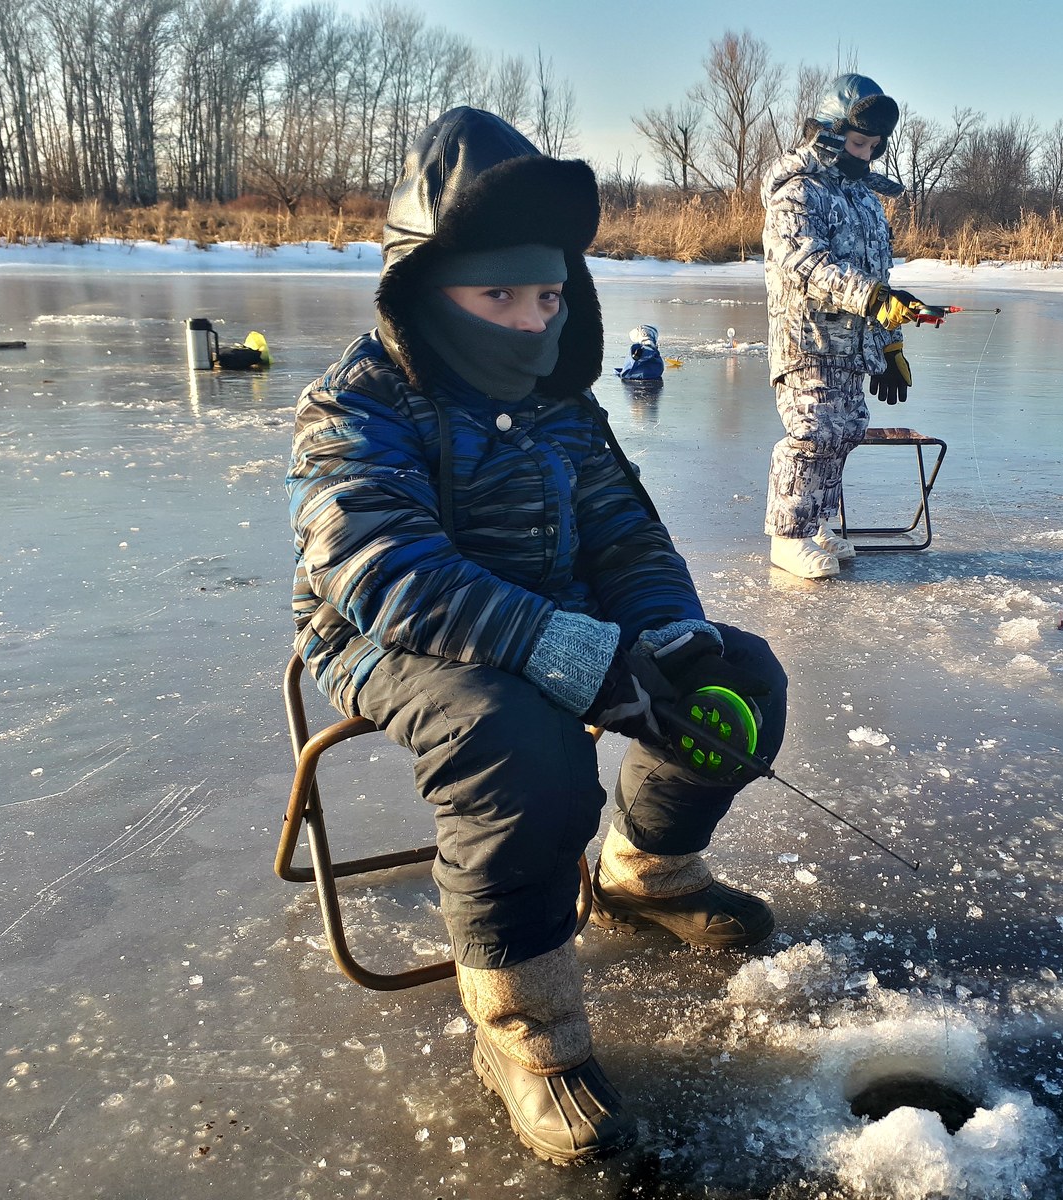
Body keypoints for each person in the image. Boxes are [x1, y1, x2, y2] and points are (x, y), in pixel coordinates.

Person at [287, 107, 788, 1165]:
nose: (528, 320)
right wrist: (565, 652)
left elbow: (626, 537)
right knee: (524, 742)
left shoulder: (565, 403)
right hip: (390, 637)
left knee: (738, 678)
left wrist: (666, 633)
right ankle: (525, 1031)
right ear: (424, 288)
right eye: (496, 293)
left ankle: (644, 873)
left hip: (558, 614)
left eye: (548, 294)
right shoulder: (356, 404)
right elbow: (382, 572)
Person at [761, 73, 927, 579]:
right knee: (812, 431)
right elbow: (803, 261)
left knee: (844, 432)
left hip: (853, 345)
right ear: (828, 133)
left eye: (874, 146)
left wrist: (889, 344)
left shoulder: (865, 200)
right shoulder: (799, 191)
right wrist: (872, 298)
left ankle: (816, 526)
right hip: (807, 337)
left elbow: (879, 275)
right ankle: (786, 537)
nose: (867, 155)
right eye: (858, 142)